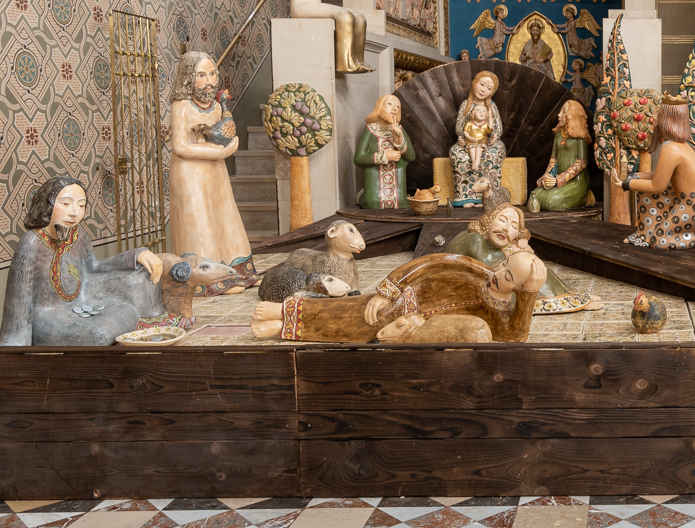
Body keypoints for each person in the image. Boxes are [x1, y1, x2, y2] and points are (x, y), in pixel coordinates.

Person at [251, 243, 547, 343]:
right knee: (357, 311)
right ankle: (286, 312)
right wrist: (389, 290)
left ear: (520, 288)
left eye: (508, 277)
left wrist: (531, 294)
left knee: (362, 332)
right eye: (503, 264)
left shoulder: (501, 314)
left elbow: (516, 336)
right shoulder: (476, 269)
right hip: (406, 299)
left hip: (415, 329)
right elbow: (429, 262)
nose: (497, 273)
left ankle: (286, 329)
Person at [1, 177, 164, 345]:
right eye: (66, 204)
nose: (74, 212)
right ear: (47, 205)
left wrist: (136, 255)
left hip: (84, 299)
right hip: (48, 315)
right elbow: (18, 304)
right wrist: (17, 351)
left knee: (141, 278)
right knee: (100, 334)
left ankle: (158, 327)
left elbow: (94, 267)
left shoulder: (78, 233)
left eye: (81, 206)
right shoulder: (31, 242)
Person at [169, 51, 258, 294]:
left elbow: (224, 138)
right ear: (188, 78)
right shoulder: (181, 107)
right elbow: (180, 147)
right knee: (201, 223)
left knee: (225, 218)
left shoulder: (217, 107)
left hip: (215, 172)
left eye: (212, 74)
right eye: (201, 75)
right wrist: (219, 153)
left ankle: (237, 273)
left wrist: (232, 144)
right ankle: (208, 282)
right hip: (189, 175)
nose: (209, 81)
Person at [446, 197, 599, 314]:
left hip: (484, 280)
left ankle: (571, 298)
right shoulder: (475, 239)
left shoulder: (495, 244)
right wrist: (513, 254)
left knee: (536, 267)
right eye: (502, 220)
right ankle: (567, 303)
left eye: (513, 227)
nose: (506, 229)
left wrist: (517, 249)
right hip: (464, 287)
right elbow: (486, 266)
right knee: (526, 274)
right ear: (489, 220)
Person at [609, 95, 695, 249]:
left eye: (659, 114)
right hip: (693, 202)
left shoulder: (671, 148)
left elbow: (657, 186)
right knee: (644, 191)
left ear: (667, 119)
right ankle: (645, 234)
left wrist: (626, 184)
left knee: (660, 241)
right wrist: (633, 177)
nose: (654, 119)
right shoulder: (677, 145)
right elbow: (659, 176)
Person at [449, 71, 506, 207]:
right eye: (482, 84)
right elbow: (459, 126)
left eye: (489, 88)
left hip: (486, 141)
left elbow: (497, 127)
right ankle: (465, 196)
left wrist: (495, 136)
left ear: (492, 92)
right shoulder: (466, 105)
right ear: (474, 83)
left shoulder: (491, 106)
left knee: (496, 152)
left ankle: (490, 196)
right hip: (468, 141)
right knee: (456, 153)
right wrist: (461, 137)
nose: (483, 90)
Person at [528, 100, 591, 213]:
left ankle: (587, 198)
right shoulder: (558, 135)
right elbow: (553, 159)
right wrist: (547, 177)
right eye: (560, 111)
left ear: (572, 116)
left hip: (576, 181)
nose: (559, 115)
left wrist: (561, 178)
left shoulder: (579, 139)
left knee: (550, 201)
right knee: (535, 194)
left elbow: (582, 162)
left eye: (563, 112)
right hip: (557, 179)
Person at [354, 94, 416, 210]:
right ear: (379, 107)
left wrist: (399, 142)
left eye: (397, 107)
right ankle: (363, 195)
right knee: (372, 203)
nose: (394, 109)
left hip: (398, 191)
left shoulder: (399, 129)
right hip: (374, 187)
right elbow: (359, 158)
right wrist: (384, 156)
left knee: (401, 202)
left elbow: (411, 156)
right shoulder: (370, 130)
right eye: (389, 104)